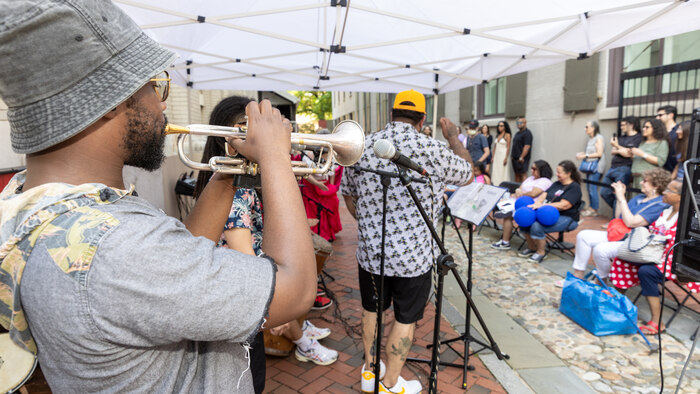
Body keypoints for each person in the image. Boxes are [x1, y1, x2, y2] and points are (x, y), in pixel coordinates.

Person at [0, 2, 317, 392]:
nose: (162, 102)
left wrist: (230, 170)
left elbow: (188, 253)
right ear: (110, 97)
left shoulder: (35, 202)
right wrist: (275, 158)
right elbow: (296, 289)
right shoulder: (118, 246)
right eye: (154, 84)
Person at [193, 97, 338, 390]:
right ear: (233, 134)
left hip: (245, 295)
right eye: (253, 127)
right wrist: (273, 309)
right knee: (251, 378)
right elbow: (244, 254)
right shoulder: (233, 190)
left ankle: (301, 334)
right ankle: (302, 341)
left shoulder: (231, 182)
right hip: (243, 299)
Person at [341, 90, 472, 394]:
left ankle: (370, 372)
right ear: (422, 118)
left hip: (372, 254)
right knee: (406, 318)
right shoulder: (434, 148)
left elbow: (348, 193)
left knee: (371, 310)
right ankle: (389, 385)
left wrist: (369, 225)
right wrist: (453, 137)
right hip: (413, 259)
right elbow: (467, 174)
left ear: (391, 113)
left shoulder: (363, 145)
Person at [609, 180, 700, 334]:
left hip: (674, 259)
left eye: (668, 191)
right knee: (624, 259)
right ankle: (616, 304)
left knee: (647, 271)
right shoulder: (665, 211)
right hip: (655, 252)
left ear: (680, 196)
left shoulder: (690, 218)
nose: (663, 193)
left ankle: (657, 322)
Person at [561, 168, 671, 285]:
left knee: (601, 250)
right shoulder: (639, 198)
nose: (641, 183)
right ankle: (578, 276)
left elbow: (631, 222)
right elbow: (619, 216)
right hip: (621, 235)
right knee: (583, 236)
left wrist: (622, 199)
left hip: (635, 243)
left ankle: (601, 281)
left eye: (645, 181)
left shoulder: (660, 204)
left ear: (656, 185)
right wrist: (620, 197)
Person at [519, 160, 582, 263]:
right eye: (557, 172)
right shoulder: (557, 184)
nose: (556, 174)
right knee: (524, 220)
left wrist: (543, 205)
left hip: (567, 218)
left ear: (568, 173)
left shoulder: (574, 187)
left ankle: (541, 252)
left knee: (536, 226)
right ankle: (532, 247)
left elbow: (564, 205)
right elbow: (545, 194)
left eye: (559, 172)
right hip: (547, 213)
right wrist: (538, 203)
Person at [491, 160, 553, 250]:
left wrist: (521, 193)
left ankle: (505, 242)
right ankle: (505, 241)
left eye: (534, 169)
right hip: (519, 201)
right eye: (531, 168)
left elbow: (533, 193)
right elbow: (519, 189)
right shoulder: (530, 178)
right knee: (506, 212)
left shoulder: (545, 181)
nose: (532, 170)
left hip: (530, 205)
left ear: (542, 170)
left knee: (508, 214)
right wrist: (518, 191)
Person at [600, 116, 643, 212]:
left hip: (625, 168)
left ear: (631, 125)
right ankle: (622, 213)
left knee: (618, 195)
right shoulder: (621, 137)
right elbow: (613, 151)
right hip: (613, 167)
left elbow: (629, 154)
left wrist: (617, 147)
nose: (621, 127)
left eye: (623, 125)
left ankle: (616, 219)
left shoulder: (638, 138)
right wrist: (622, 150)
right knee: (604, 192)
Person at [576, 120, 605, 217]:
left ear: (593, 128)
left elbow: (599, 153)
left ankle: (594, 209)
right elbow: (591, 153)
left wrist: (585, 156)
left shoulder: (599, 138)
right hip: (589, 166)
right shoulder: (590, 139)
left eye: (587, 127)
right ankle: (591, 208)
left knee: (592, 188)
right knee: (589, 187)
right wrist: (582, 154)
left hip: (596, 166)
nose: (585, 129)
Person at [630, 119, 669, 190]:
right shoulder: (643, 143)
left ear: (655, 128)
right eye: (643, 127)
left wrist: (642, 154)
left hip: (648, 180)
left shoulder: (662, 143)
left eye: (647, 127)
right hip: (636, 177)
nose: (643, 129)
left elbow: (660, 161)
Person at [657, 105, 680, 172]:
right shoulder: (659, 131)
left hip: (675, 169)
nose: (657, 117)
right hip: (660, 169)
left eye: (660, 115)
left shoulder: (679, 130)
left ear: (670, 115)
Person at [490, 120, 512, 187]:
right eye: (499, 126)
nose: (500, 127)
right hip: (496, 155)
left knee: (503, 170)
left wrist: (506, 158)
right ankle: (495, 184)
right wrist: (493, 157)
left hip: (503, 154)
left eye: (501, 126)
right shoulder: (498, 135)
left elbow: (508, 147)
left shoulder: (507, 135)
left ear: (505, 127)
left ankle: (503, 185)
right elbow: (495, 147)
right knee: (496, 170)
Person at [511, 117, 533, 183]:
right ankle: (516, 188)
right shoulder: (517, 133)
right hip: (515, 158)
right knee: (517, 174)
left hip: (522, 159)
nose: (518, 124)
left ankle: (524, 189)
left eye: (520, 123)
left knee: (523, 173)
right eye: (517, 123)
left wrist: (521, 157)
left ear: (525, 123)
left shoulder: (527, 133)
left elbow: (527, 146)